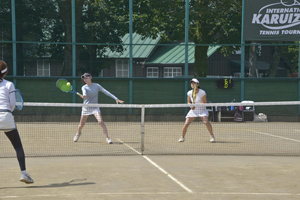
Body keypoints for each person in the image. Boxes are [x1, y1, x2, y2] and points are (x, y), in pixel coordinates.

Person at [0, 60, 34, 184]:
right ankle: (24, 173)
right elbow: (12, 105)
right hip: (6, 116)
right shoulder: (9, 84)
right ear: (5, 72)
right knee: (18, 146)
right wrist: (10, 111)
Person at [74, 73, 124, 144]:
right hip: (86, 108)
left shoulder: (97, 86)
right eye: (84, 78)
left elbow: (106, 92)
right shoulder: (84, 87)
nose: (85, 79)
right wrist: (84, 96)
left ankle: (107, 138)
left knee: (100, 121)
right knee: (81, 124)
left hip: (95, 107)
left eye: (86, 78)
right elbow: (84, 93)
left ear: (90, 78)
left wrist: (116, 98)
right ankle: (78, 133)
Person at [178, 78, 215, 143]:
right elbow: (188, 102)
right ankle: (182, 137)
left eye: (194, 83)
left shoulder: (202, 92)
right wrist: (191, 105)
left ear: (198, 84)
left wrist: (196, 105)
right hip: (194, 111)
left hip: (202, 110)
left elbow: (205, 103)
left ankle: (212, 136)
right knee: (186, 124)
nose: (193, 84)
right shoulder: (189, 93)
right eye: (192, 83)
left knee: (206, 122)